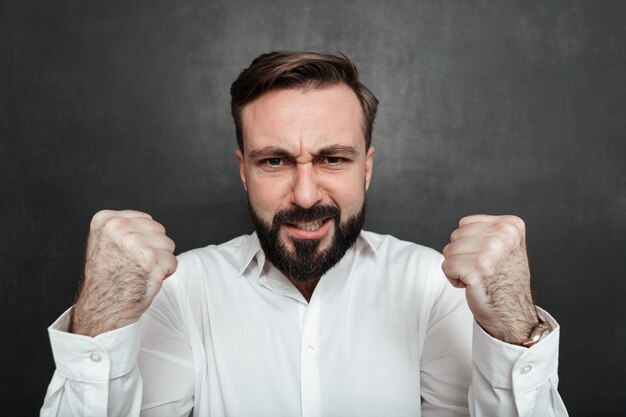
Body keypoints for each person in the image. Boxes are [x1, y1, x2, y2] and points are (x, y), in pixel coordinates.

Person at [41, 51, 568, 417]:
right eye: (275, 161)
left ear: (366, 168)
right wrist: (102, 320)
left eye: (332, 158)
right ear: (244, 170)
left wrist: (513, 329)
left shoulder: (434, 287)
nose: (306, 193)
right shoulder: (181, 291)